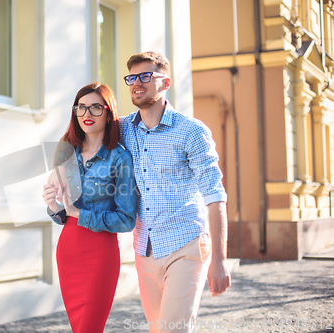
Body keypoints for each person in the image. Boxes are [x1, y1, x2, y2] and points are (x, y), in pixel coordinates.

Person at [50, 52, 231, 333]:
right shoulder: (122, 129)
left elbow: (214, 193)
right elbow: (88, 132)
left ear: (165, 83)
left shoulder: (191, 131)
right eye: (132, 77)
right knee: (158, 329)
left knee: (173, 329)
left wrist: (219, 260)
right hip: (145, 249)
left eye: (146, 76)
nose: (137, 83)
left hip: (185, 243)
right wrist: (57, 177)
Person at [42, 82, 137, 333]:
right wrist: (52, 204)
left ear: (108, 112)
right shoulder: (66, 152)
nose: (87, 114)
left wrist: (78, 213)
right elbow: (64, 217)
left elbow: (127, 219)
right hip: (68, 249)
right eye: (81, 108)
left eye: (95, 107)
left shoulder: (120, 158)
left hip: (100, 253)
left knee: (89, 328)